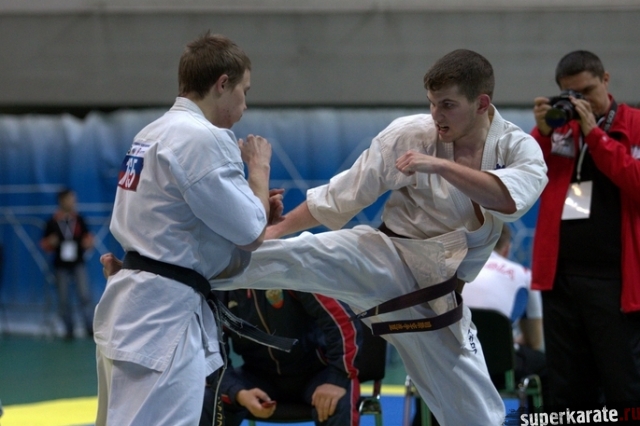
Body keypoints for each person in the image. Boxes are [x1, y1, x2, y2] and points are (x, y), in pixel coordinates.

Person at [101, 48, 549, 425]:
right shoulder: (410, 134)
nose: (436, 115)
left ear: (482, 103)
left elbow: (509, 200)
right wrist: (273, 229)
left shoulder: (517, 149)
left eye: (447, 105)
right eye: (432, 103)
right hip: (388, 256)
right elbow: (341, 196)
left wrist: (438, 166)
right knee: (292, 253)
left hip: (439, 294)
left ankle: (155, 270)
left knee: (478, 412)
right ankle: (151, 269)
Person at [93, 31, 280, 426]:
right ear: (222, 84)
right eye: (244, 91)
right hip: (163, 318)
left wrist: (257, 205)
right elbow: (251, 232)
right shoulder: (203, 138)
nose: (245, 104)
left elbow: (184, 219)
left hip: (135, 306)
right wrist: (259, 170)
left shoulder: (151, 133)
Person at [531, 50, 640, 410]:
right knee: (567, 392)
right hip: (561, 281)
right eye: (572, 95)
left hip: (616, 282)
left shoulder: (634, 125)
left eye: (588, 91)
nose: (583, 103)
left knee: (624, 386)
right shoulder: (561, 130)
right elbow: (525, 177)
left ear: (606, 80)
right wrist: (542, 133)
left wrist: (596, 137)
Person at [199, 289, 362, 426]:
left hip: (315, 372)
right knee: (206, 399)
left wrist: (337, 378)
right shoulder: (222, 287)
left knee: (338, 401)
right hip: (257, 376)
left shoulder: (297, 272)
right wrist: (238, 392)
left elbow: (343, 322)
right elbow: (211, 354)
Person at [462, 223, 547, 402]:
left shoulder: (453, 270)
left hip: (454, 364)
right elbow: (535, 341)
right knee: (545, 366)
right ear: (507, 249)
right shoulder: (524, 275)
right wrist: (507, 341)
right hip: (499, 370)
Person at [40, 188, 95, 340]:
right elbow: (44, 244)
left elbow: (88, 237)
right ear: (62, 201)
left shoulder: (79, 219)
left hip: (78, 263)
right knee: (64, 298)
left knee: (84, 295)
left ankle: (89, 327)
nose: (73, 202)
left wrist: (89, 242)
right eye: (70, 199)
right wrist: (50, 243)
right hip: (60, 265)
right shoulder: (52, 222)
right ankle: (68, 328)